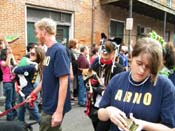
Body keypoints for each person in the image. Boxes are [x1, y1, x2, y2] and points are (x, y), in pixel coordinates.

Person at [98, 37, 175, 131]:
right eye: (139, 63)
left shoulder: (164, 86)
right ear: (131, 57)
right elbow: (100, 114)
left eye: (148, 66)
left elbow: (170, 128)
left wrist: (144, 125)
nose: (142, 70)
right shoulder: (117, 80)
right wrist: (108, 111)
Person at [27, 17, 71, 131]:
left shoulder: (59, 51)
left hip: (54, 106)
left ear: (44, 32)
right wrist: (33, 93)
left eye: (37, 33)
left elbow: (64, 81)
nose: (36, 36)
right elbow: (46, 78)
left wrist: (59, 111)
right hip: (48, 103)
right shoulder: (48, 51)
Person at [86, 39, 124, 131]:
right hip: (94, 105)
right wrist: (97, 89)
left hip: (109, 107)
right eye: (103, 55)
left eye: (107, 56)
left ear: (114, 53)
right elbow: (87, 82)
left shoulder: (118, 68)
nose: (105, 58)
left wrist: (105, 92)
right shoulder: (95, 64)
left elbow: (120, 89)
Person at [13, 46, 45, 123]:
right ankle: (20, 126)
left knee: (34, 112)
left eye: (33, 54)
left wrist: (18, 66)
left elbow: (16, 70)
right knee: (21, 109)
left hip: (27, 90)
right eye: (30, 53)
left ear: (38, 56)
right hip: (23, 89)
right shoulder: (33, 65)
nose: (30, 55)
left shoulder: (32, 66)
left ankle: (45, 127)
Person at [0, 46, 17, 121]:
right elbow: (5, 64)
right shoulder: (2, 61)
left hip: (12, 81)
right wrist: (9, 56)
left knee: (13, 99)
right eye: (8, 52)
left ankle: (13, 113)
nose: (9, 52)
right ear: (5, 54)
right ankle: (9, 116)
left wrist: (12, 56)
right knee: (8, 100)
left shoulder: (10, 60)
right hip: (7, 82)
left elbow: (15, 64)